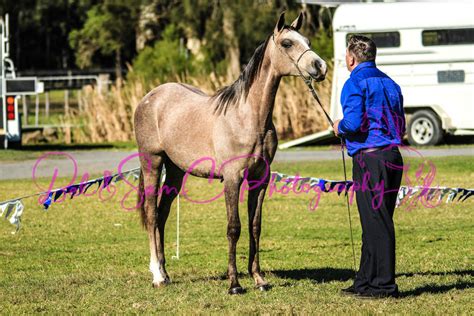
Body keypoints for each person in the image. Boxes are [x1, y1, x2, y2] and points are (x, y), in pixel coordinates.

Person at [332, 35, 405, 299]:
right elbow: (401, 126)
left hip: (370, 159)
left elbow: (352, 123)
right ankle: (364, 281)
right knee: (374, 220)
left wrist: (339, 127)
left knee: (377, 222)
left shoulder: (354, 83)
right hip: (393, 157)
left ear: (351, 58)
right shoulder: (391, 83)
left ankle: (383, 285)